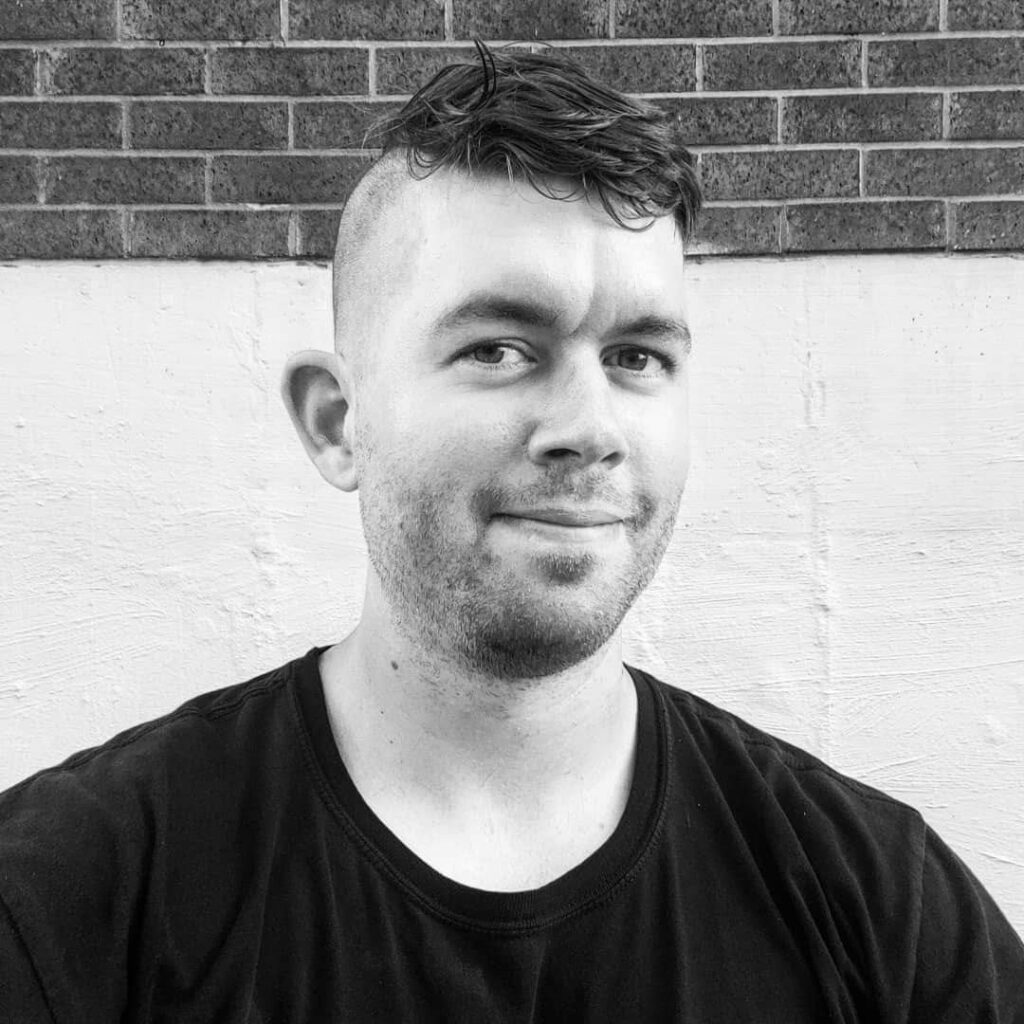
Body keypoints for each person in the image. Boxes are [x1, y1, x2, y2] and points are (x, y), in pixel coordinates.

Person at [1, 42, 1022, 1023]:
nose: (588, 428)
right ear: (335, 419)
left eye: (636, 355)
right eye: (497, 347)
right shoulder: (73, 900)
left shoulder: (883, 909)